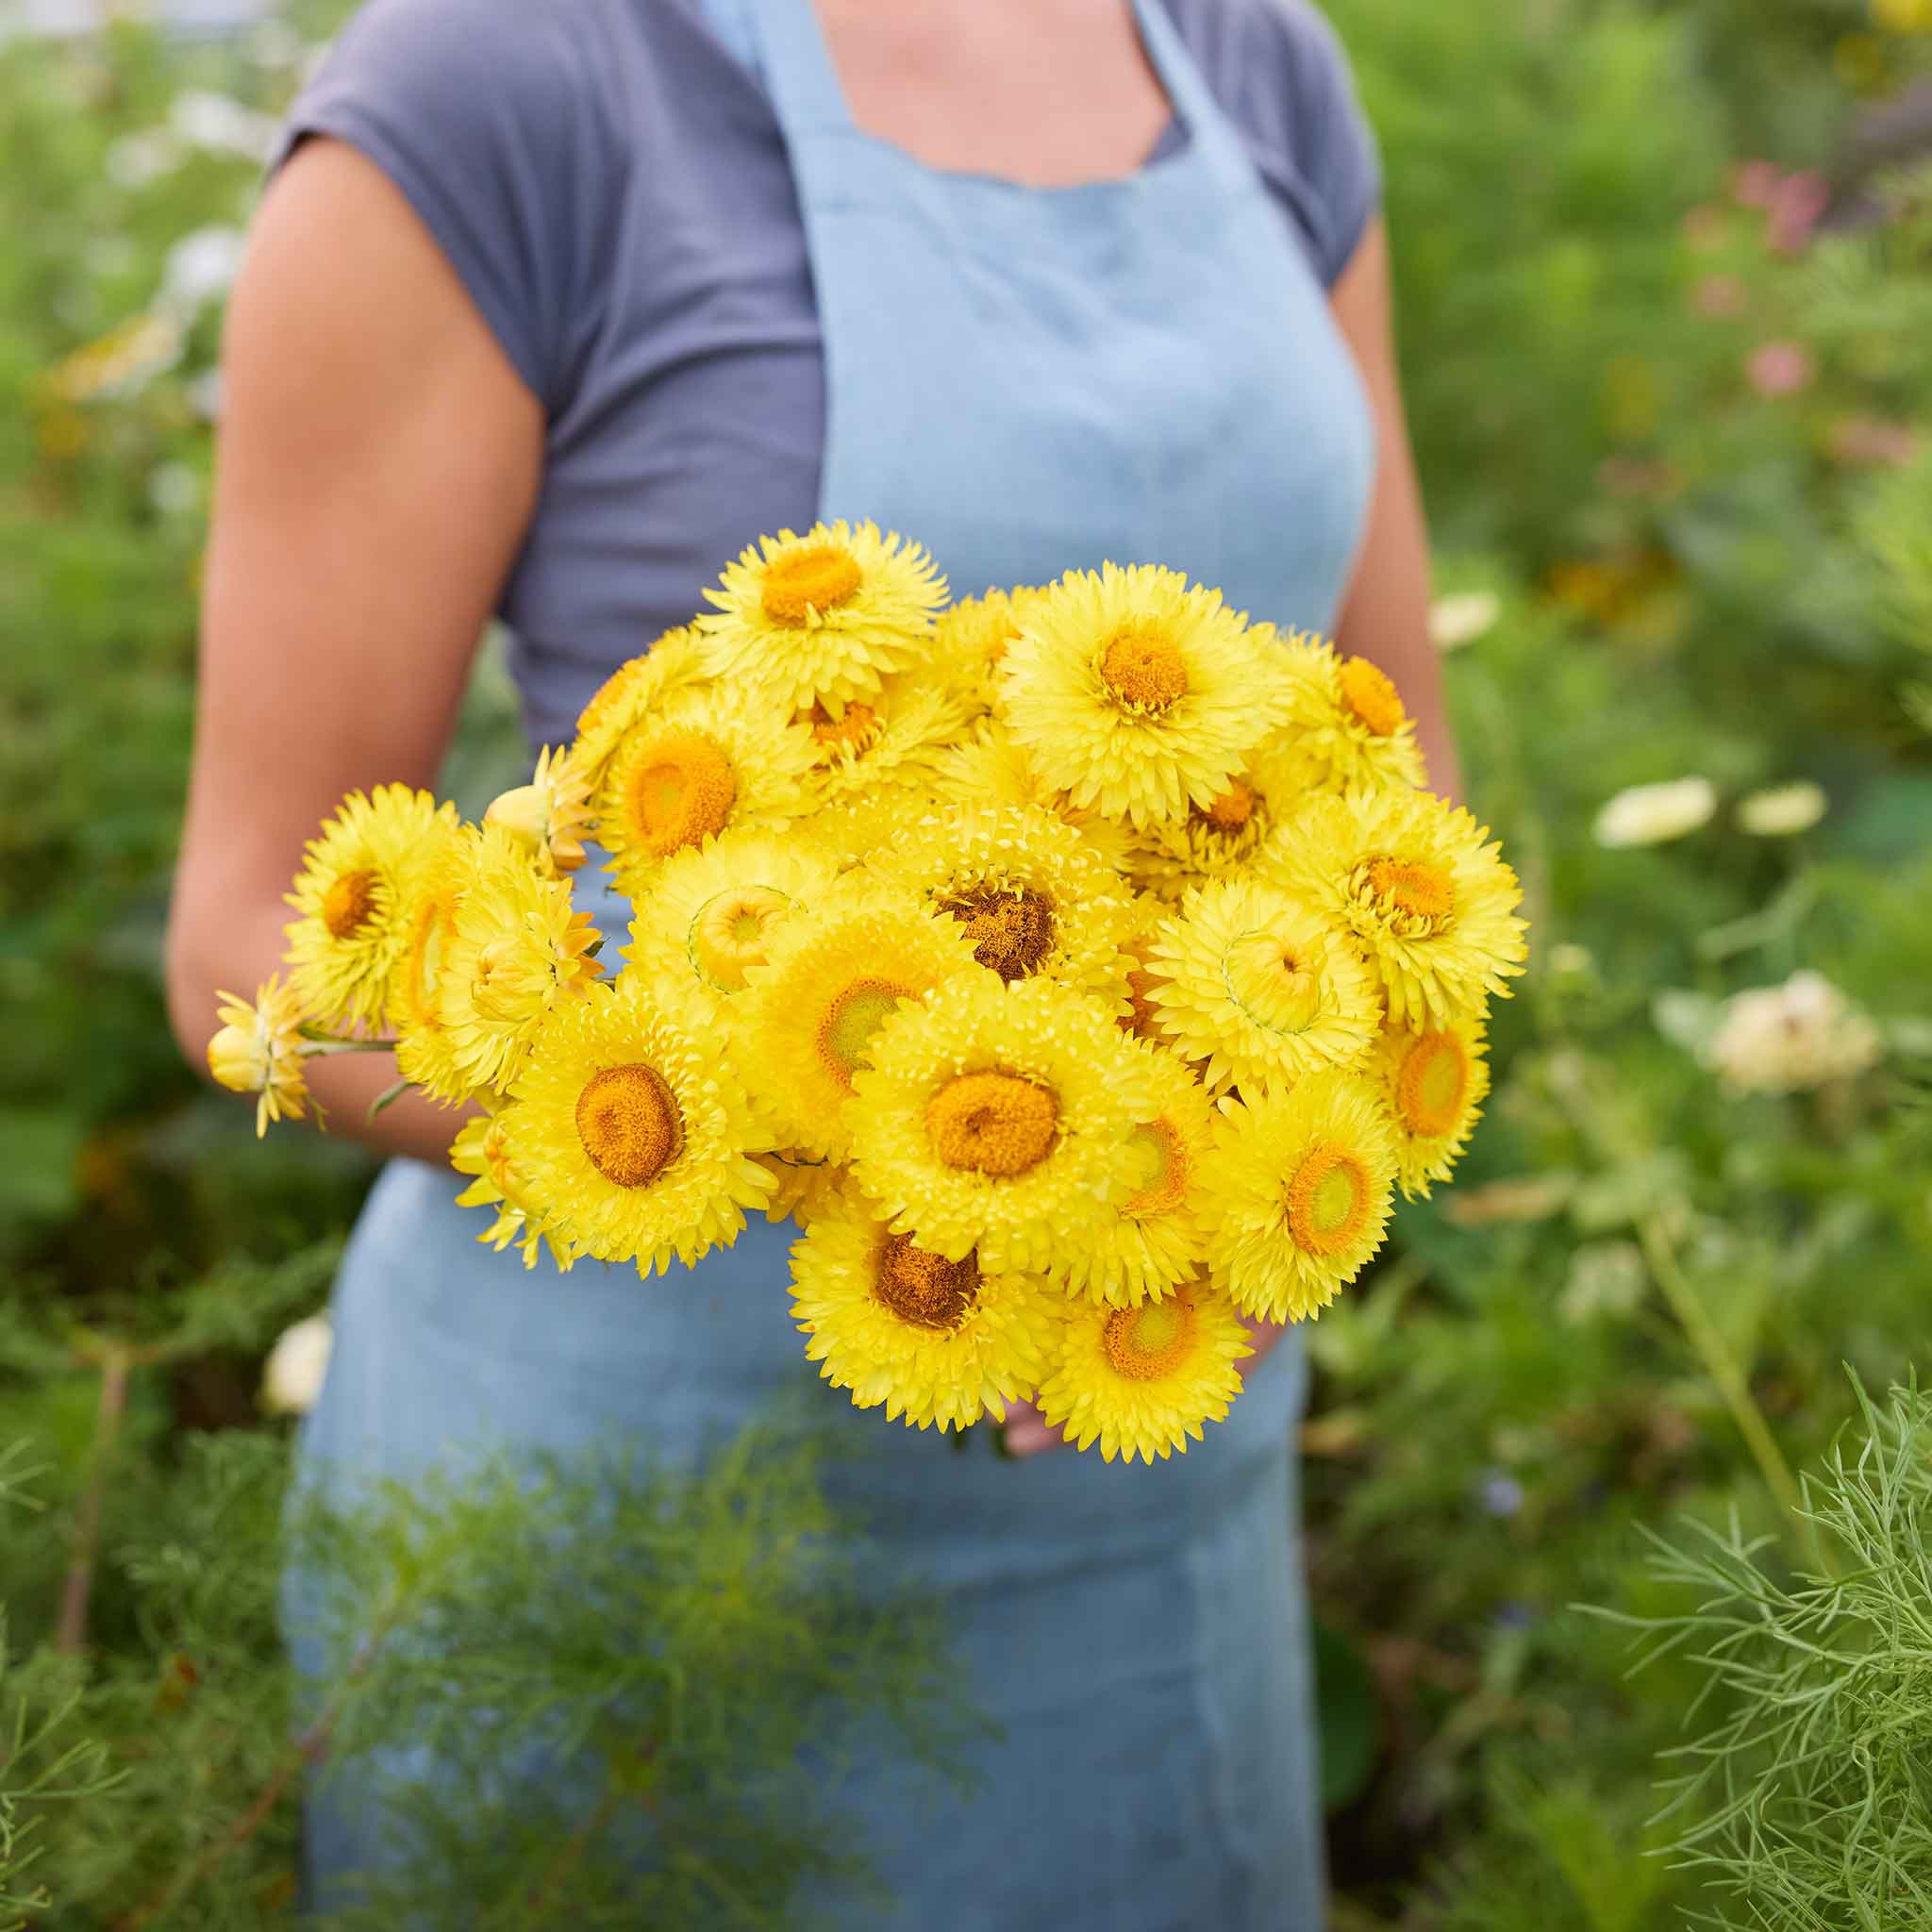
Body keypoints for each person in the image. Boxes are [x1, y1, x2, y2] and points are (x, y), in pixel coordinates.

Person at [166, 0, 1452, 1922]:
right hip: (630, 1543)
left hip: (1145, 1488)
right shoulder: (503, 88)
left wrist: (1265, 1192)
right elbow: (253, 936)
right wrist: (763, 1132)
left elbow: (1403, 787)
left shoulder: (1248, 55)